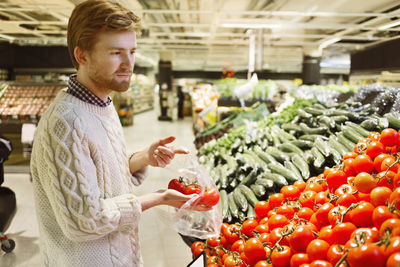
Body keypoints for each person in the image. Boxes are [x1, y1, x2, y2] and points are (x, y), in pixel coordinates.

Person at [30, 1, 197, 266]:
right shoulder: (66, 122)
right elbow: (83, 221)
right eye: (116, 53)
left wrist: (142, 158)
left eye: (131, 51)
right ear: (82, 56)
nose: (128, 63)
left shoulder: (102, 105)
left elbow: (97, 177)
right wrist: (159, 198)